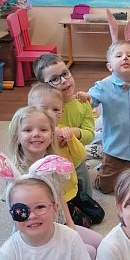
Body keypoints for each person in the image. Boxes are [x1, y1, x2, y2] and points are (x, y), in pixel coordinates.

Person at [7, 105, 102, 260]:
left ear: (51, 136)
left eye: (43, 129)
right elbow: (21, 217)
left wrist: (70, 224)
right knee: (89, 252)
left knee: (101, 242)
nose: (36, 134)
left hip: (59, 224)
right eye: (28, 130)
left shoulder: (51, 163)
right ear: (16, 136)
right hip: (37, 233)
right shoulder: (17, 174)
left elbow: (59, 196)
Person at [28, 83, 104, 226]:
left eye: (56, 109)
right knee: (85, 223)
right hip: (56, 196)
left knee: (99, 215)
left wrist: (71, 139)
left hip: (72, 188)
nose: (51, 113)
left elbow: (80, 155)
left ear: (62, 112)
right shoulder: (35, 137)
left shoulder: (64, 130)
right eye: (44, 109)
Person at [88, 41, 130, 194]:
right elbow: (91, 99)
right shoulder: (103, 86)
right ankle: (91, 173)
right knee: (106, 187)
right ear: (110, 67)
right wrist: (86, 98)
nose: (125, 58)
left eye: (129, 55)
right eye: (119, 56)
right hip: (116, 149)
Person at [33, 53, 95, 195]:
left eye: (65, 73)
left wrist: (72, 132)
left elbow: (90, 134)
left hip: (76, 160)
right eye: (55, 79)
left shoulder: (82, 103)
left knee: (86, 195)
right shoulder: (40, 108)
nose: (63, 81)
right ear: (44, 86)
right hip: (49, 162)